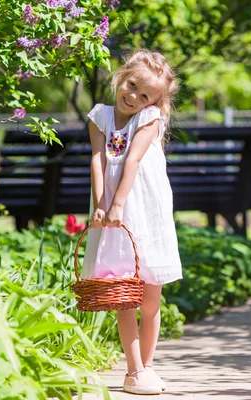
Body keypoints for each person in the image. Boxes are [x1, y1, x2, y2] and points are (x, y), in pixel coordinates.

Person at [82, 49, 182, 395]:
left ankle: (149, 366)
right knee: (123, 291)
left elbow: (133, 161)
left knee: (151, 295)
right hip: (113, 213)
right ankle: (134, 369)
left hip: (143, 209)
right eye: (131, 85)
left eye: (144, 95)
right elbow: (98, 160)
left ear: (154, 102)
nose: (133, 96)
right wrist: (101, 204)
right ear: (121, 76)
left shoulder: (149, 118)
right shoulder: (101, 117)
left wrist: (119, 203)